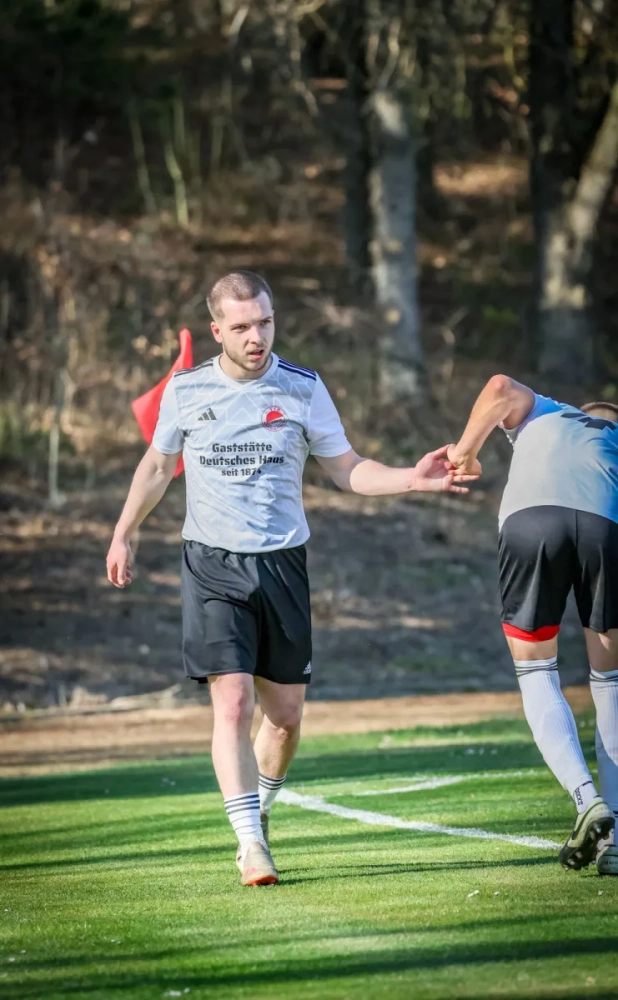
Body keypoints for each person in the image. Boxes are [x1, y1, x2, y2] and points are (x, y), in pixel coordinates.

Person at [106, 270, 477, 887]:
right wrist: (124, 532)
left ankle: (259, 812)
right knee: (233, 701)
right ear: (217, 330)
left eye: (265, 322)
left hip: (282, 564)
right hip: (212, 564)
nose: (256, 337)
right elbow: (156, 466)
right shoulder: (186, 389)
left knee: (284, 717)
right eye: (242, 327)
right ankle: (251, 844)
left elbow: (347, 469)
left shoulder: (303, 388)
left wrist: (411, 479)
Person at [447, 376, 618, 875]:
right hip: (607, 529)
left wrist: (464, 453)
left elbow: (500, 386)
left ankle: (587, 800)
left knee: (537, 672)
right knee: (610, 682)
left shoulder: (548, 411)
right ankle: (617, 840)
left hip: (533, 523)